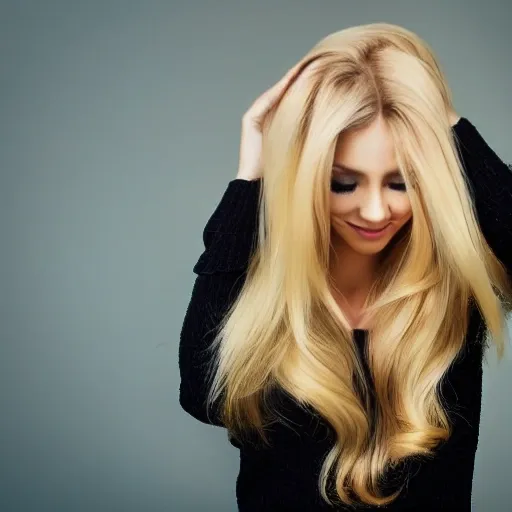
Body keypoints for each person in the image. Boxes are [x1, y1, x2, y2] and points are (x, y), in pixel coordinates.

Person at [178, 22, 512, 511]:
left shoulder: (452, 290)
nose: (376, 212)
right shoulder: (260, 292)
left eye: (401, 183)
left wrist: (446, 124)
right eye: (343, 184)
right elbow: (205, 395)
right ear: (309, 178)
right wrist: (250, 182)